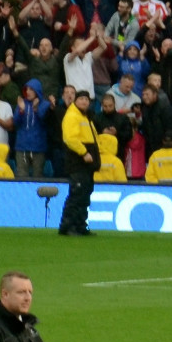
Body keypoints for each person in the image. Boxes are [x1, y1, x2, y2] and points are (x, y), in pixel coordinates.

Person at [58, 88, 97, 234]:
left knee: (84, 195)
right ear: (75, 101)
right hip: (77, 161)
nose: (84, 101)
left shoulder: (84, 116)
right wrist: (84, 152)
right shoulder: (72, 116)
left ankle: (80, 225)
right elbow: (70, 139)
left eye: (86, 99)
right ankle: (68, 226)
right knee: (77, 194)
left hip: (86, 164)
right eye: (81, 99)